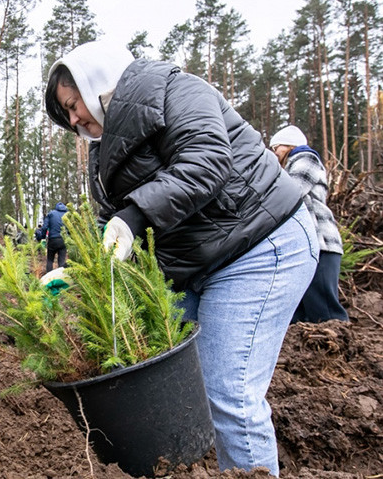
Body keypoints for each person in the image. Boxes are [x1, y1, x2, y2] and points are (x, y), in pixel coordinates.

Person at [45, 40, 319, 477]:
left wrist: (135, 217)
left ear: (96, 83)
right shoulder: (104, 150)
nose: (73, 120)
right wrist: (79, 268)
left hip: (260, 245)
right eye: (67, 114)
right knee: (154, 357)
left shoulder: (175, 89)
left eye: (73, 105)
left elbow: (207, 160)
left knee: (226, 390)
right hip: (198, 266)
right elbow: (109, 220)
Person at [270, 125, 348, 323]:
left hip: (321, 244)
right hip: (305, 247)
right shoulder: (292, 166)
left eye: (276, 147)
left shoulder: (306, 158)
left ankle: (339, 341)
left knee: (325, 310)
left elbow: (290, 193)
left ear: (289, 145)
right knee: (300, 314)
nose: (274, 152)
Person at [35, 202, 68, 271]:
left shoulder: (51, 214)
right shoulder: (67, 214)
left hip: (53, 240)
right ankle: (62, 276)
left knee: (50, 260)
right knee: (62, 261)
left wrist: (42, 236)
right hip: (63, 240)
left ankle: (49, 275)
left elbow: (45, 227)